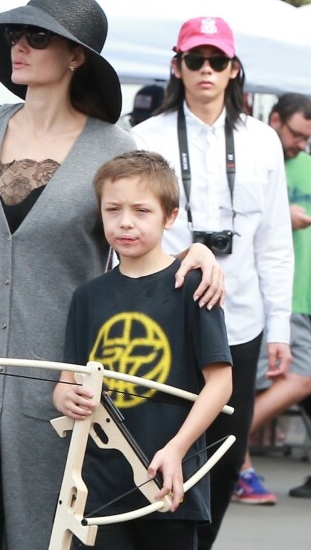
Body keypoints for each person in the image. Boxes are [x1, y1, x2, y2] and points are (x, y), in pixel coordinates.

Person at [0, 0, 225, 550]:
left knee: (41, 527)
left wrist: (199, 251)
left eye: (36, 36)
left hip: (62, 369)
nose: (18, 45)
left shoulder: (113, 143)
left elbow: (145, 222)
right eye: (14, 35)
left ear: (75, 56)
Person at [130, 17, 294, 549]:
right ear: (176, 66)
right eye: (195, 60)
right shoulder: (146, 137)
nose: (206, 70)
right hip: (167, 314)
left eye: (216, 61)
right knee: (158, 444)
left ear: (233, 68)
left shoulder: (263, 140)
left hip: (239, 320)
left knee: (225, 451)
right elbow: (124, 236)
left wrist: (281, 331)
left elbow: (274, 243)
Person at [55, 150, 233, 550]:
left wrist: (177, 449)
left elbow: (220, 384)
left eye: (141, 210)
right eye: (113, 209)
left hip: (169, 480)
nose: (125, 222)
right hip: (98, 486)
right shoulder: (87, 297)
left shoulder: (193, 286)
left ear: (170, 216)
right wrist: (68, 397)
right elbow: (66, 381)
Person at [233, 93, 311, 504]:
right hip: (274, 296)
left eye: (306, 138)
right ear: (276, 119)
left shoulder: (303, 164)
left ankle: (234, 462)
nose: (300, 143)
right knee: (295, 378)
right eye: (296, 134)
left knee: (277, 382)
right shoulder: (257, 157)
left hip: (295, 296)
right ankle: (225, 448)